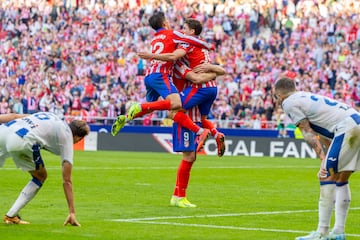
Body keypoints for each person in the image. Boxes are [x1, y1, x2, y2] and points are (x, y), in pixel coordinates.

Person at [138, 18, 226, 207]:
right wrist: (213, 71)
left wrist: (210, 70)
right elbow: (209, 73)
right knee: (188, 146)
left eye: (184, 28)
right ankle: (178, 197)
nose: (181, 31)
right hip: (195, 98)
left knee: (188, 150)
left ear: (192, 32)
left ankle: (178, 196)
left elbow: (194, 75)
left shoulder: (183, 53)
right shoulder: (185, 57)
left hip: (191, 101)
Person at [111, 11, 212, 152]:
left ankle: (125, 117)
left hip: (149, 76)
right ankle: (200, 132)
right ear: (165, 23)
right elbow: (191, 41)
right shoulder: (172, 34)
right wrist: (207, 46)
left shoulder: (155, 39)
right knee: (175, 103)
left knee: (151, 107)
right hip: (161, 75)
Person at [274, 77, 360, 240]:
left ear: (279, 94)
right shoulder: (304, 96)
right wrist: (327, 156)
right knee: (342, 177)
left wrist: (322, 158)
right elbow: (328, 133)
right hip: (355, 122)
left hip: (347, 128)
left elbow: (307, 132)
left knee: (327, 175)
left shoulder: (288, 103)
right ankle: (339, 231)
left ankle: (322, 232)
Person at [0, 112, 90, 226]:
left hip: (4, 131)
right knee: (41, 176)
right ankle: (11, 215)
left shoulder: (50, 115)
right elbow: (67, 181)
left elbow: (15, 116)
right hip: (21, 140)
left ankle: (11, 216)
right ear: (79, 138)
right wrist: (72, 212)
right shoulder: (67, 138)